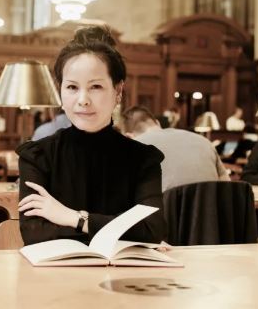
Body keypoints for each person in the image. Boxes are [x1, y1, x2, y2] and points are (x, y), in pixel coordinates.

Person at [17, 25, 166, 245]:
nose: (83, 100)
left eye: (95, 86)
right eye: (72, 87)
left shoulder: (143, 159)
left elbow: (152, 230)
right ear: (60, 91)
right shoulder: (37, 156)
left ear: (118, 91)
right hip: (58, 267)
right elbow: (35, 234)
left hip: (122, 268)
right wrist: (126, 233)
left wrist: (73, 218)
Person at [123, 106, 230, 191]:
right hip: (210, 211)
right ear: (157, 123)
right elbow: (227, 188)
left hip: (166, 212)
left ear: (128, 137)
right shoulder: (204, 141)